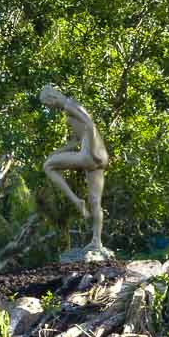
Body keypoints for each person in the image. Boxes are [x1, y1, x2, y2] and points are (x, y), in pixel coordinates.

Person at [40, 85, 109, 249]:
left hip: (90, 155)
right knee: (94, 201)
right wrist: (56, 152)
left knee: (48, 166)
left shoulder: (69, 105)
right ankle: (96, 242)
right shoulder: (70, 106)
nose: (50, 109)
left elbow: (90, 124)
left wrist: (92, 152)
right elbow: (75, 141)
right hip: (100, 157)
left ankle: (76, 201)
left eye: (48, 105)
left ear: (52, 98)